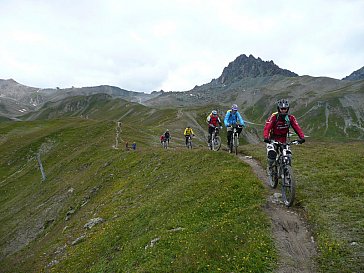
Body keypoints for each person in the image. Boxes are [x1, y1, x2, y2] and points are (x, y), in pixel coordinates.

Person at [263, 98, 305, 168]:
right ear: (278, 109)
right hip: (272, 139)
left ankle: (286, 173)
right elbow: (267, 127)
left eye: (285, 109)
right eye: (281, 109)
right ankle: (270, 170)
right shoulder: (274, 117)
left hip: (283, 139)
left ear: (287, 109)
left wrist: (302, 137)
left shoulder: (291, 118)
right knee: (272, 156)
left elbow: (297, 128)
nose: (283, 110)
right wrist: (266, 137)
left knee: (288, 155)